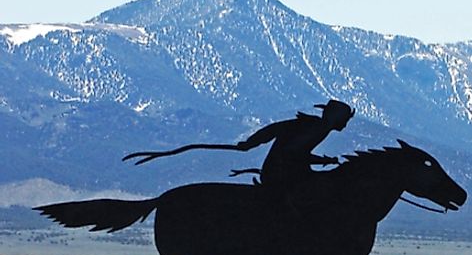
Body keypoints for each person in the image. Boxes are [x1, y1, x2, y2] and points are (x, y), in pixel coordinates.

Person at [123, 100, 355, 187]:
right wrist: (323, 160)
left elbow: (275, 130)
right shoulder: (317, 128)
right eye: (344, 119)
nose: (345, 124)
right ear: (335, 117)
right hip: (283, 174)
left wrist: (250, 143)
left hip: (282, 170)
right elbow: (293, 153)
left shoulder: (312, 124)